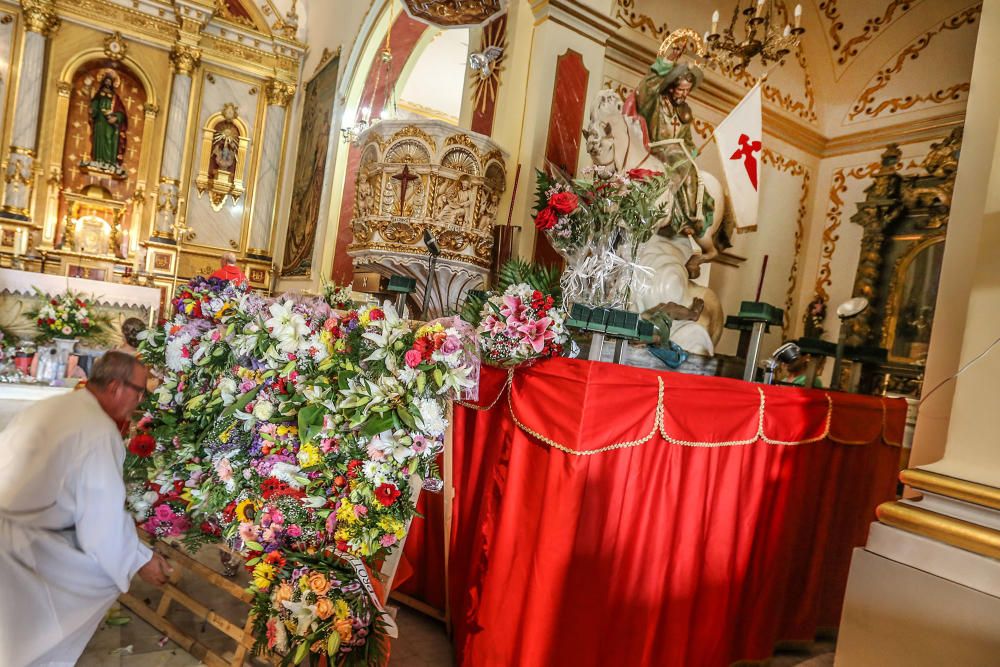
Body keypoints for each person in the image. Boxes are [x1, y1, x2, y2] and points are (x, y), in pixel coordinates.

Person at [0, 351, 171, 666]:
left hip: (16, 528)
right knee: (87, 589)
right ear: (116, 387)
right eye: (140, 391)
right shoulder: (97, 430)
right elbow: (100, 521)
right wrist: (140, 560)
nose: (140, 401)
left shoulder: (56, 405)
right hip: (26, 548)